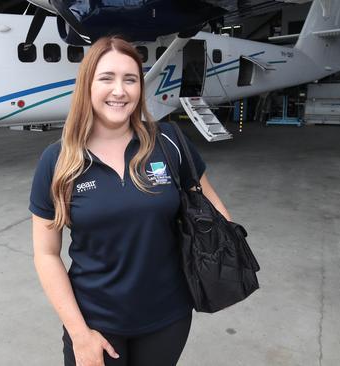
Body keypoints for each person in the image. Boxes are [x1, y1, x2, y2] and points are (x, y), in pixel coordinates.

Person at [29, 36, 231, 366]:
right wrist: (80, 334)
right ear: (87, 85)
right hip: (94, 322)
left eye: (131, 79)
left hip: (167, 317)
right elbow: (46, 253)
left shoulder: (169, 142)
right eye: (107, 78)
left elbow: (216, 213)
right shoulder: (58, 161)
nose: (120, 91)